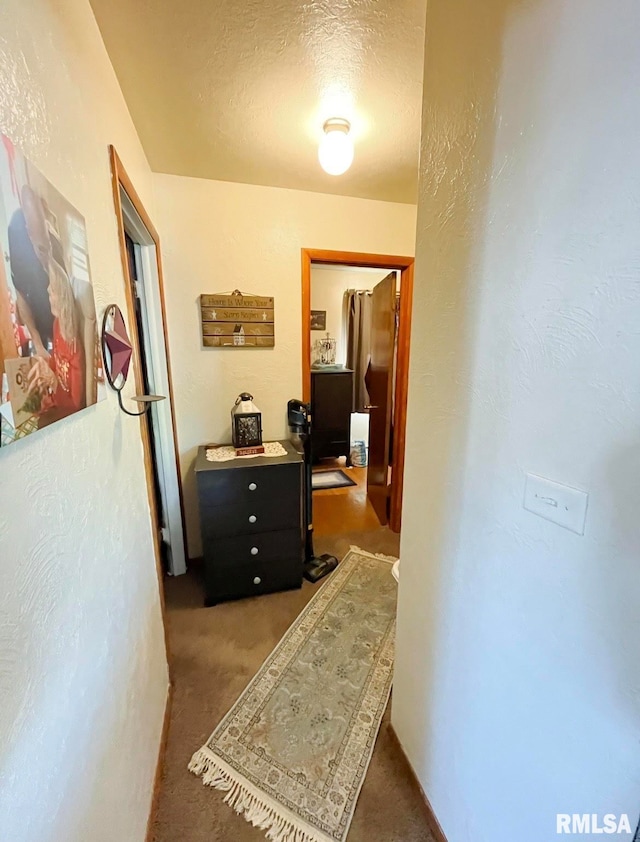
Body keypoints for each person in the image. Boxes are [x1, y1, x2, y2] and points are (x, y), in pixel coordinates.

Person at [8, 185, 64, 357]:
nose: (44, 253)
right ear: (28, 231)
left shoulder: (55, 245)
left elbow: (65, 301)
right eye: (40, 248)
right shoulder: (17, 238)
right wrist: (38, 344)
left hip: (59, 317)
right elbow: (21, 295)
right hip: (38, 314)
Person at [26, 259, 85, 419]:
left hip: (67, 413)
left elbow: (75, 405)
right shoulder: (57, 324)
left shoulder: (74, 346)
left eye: (52, 290)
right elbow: (57, 363)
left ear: (61, 297)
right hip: (55, 399)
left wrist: (53, 381)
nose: (47, 291)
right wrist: (44, 363)